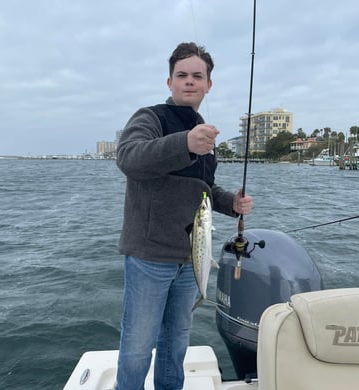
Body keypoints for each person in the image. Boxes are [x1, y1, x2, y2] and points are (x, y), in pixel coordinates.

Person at [115, 42, 253, 390]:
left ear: (208, 85)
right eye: (182, 75)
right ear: (169, 83)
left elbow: (203, 189)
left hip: (191, 259)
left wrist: (230, 203)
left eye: (197, 76)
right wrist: (185, 144)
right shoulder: (151, 118)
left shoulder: (204, 132)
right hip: (149, 257)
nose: (189, 81)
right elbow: (129, 158)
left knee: (176, 343)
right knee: (137, 347)